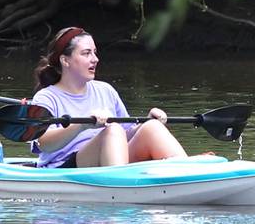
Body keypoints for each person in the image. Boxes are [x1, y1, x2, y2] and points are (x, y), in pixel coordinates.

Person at [30, 27, 187, 168]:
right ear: (65, 60)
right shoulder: (46, 97)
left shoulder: (105, 90)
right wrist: (81, 125)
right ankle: (121, 187)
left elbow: (126, 135)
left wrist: (144, 123)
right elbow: (44, 144)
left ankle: (186, 171)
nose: (95, 59)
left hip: (109, 162)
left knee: (152, 127)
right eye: (86, 53)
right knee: (112, 130)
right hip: (64, 167)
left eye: (94, 52)